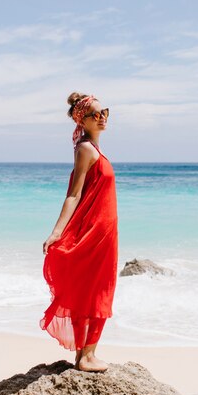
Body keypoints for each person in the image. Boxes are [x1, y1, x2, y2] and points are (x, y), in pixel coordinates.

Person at [40, 92, 118, 372]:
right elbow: (73, 195)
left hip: (105, 232)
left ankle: (86, 354)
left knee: (98, 289)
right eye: (96, 114)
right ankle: (86, 356)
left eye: (105, 112)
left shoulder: (94, 149)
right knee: (94, 290)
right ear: (82, 120)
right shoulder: (85, 149)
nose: (103, 117)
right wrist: (56, 232)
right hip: (94, 232)